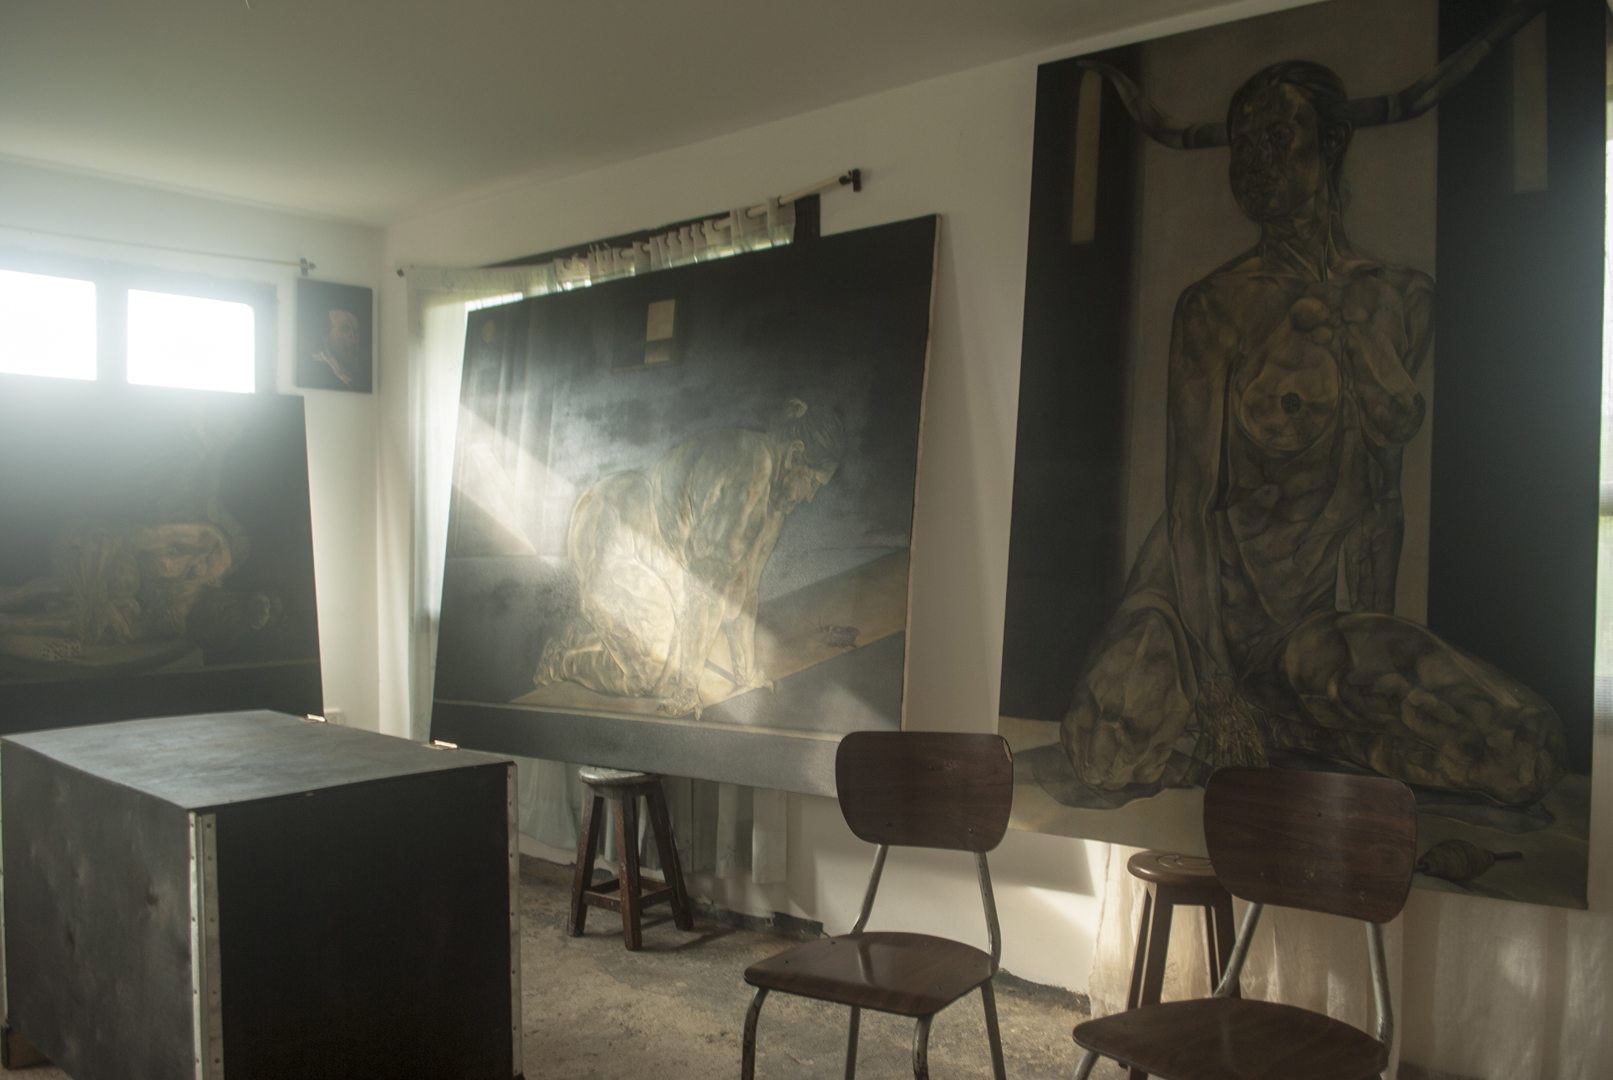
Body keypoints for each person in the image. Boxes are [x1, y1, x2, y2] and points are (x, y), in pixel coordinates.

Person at [1062, 61, 1565, 809]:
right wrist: (1215, 687)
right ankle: (1249, 719)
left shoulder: (1401, 300)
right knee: (1104, 748)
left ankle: (1286, 724)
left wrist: (1365, 642)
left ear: (1329, 144)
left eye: (1276, 137)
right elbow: (1190, 509)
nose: (1254, 161)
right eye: (1242, 144)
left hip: (1300, 630)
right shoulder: (1214, 307)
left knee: (1521, 749)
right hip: (1188, 617)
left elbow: (1379, 502)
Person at [535, 397, 843, 718]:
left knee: (668, 666)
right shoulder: (752, 476)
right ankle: (559, 662)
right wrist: (688, 687)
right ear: (794, 455)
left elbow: (745, 590)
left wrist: (746, 673)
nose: (810, 496)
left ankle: (587, 639)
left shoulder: (773, 506)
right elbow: (705, 591)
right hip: (612, 526)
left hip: (658, 550)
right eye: (812, 481)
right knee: (646, 675)